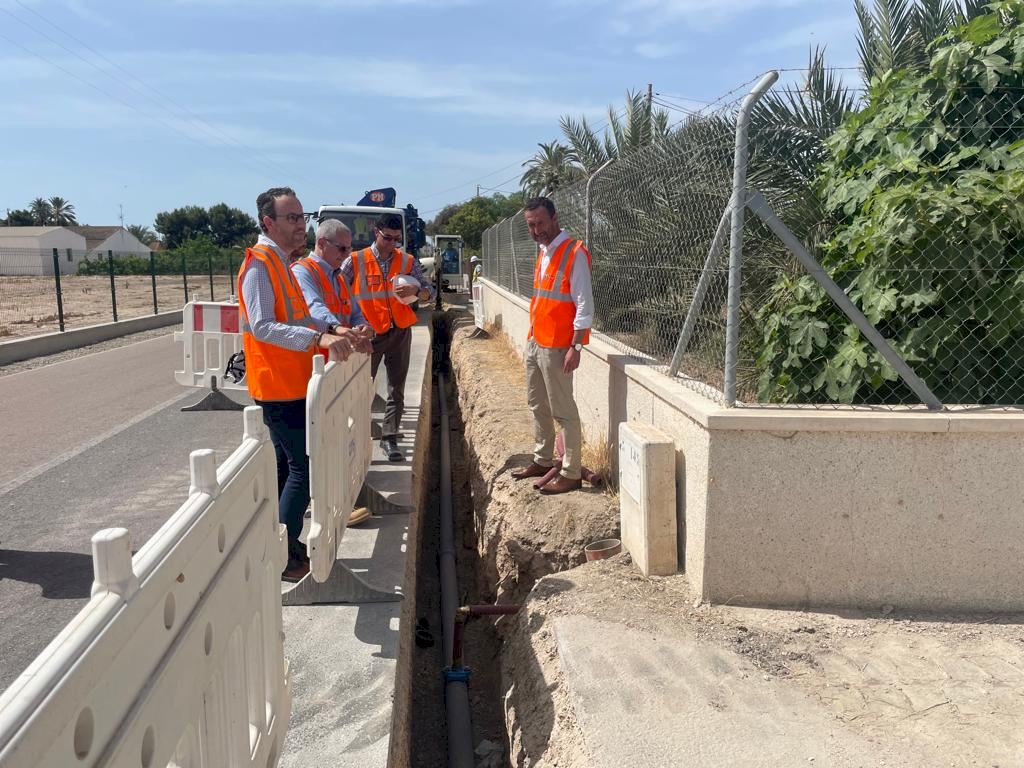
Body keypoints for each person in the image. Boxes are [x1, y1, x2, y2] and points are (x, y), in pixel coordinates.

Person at [238, 187, 371, 582]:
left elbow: (300, 317)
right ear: (269, 222)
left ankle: (277, 544)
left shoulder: (282, 263)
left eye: (302, 216)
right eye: (292, 218)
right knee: (303, 469)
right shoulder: (260, 265)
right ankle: (286, 555)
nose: (301, 224)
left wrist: (337, 330)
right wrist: (318, 339)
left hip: (292, 382)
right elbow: (263, 326)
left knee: (286, 468)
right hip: (277, 385)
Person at [510, 197, 594, 495]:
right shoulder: (544, 252)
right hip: (537, 341)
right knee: (537, 404)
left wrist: (576, 347)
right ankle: (543, 459)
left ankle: (571, 473)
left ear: (555, 218)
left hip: (559, 346)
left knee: (564, 412)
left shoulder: (574, 253)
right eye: (531, 225)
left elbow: (584, 305)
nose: (536, 230)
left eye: (541, 223)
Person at [341, 212, 434, 461]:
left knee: (396, 390)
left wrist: (418, 291)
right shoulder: (355, 261)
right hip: (368, 336)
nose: (392, 243)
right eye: (388, 238)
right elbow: (337, 292)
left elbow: (429, 291)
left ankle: (389, 438)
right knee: (361, 388)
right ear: (376, 232)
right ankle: (357, 435)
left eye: (396, 239)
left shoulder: (407, 261)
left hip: (400, 332)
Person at [291, 219, 369, 333]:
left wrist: (363, 327)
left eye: (349, 249)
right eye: (342, 249)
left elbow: (355, 313)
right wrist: (336, 329)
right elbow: (314, 306)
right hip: (317, 344)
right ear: (321, 244)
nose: (347, 255)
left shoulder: (341, 277)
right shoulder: (301, 272)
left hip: (339, 342)